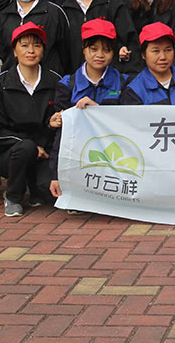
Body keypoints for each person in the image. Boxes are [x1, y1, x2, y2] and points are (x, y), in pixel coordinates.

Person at [46, 19, 128, 207]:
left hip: (115, 157)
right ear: (83, 49)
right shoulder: (67, 85)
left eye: (106, 50)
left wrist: (96, 111)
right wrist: (55, 175)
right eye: (93, 49)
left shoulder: (124, 83)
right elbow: (63, 136)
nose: (100, 55)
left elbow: (128, 125)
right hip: (81, 157)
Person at [0, 22, 59, 218]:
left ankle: (35, 188)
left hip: (45, 153)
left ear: (43, 50)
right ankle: (13, 197)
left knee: (47, 193)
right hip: (10, 154)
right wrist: (30, 146)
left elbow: (60, 122)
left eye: (37, 45)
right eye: (24, 45)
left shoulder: (55, 82)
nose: (31, 51)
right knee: (25, 148)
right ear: (14, 51)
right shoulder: (0, 83)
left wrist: (50, 127)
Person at [122, 22, 175, 109]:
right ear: (143, 55)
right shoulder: (135, 89)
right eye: (156, 51)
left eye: (168, 50)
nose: (163, 57)